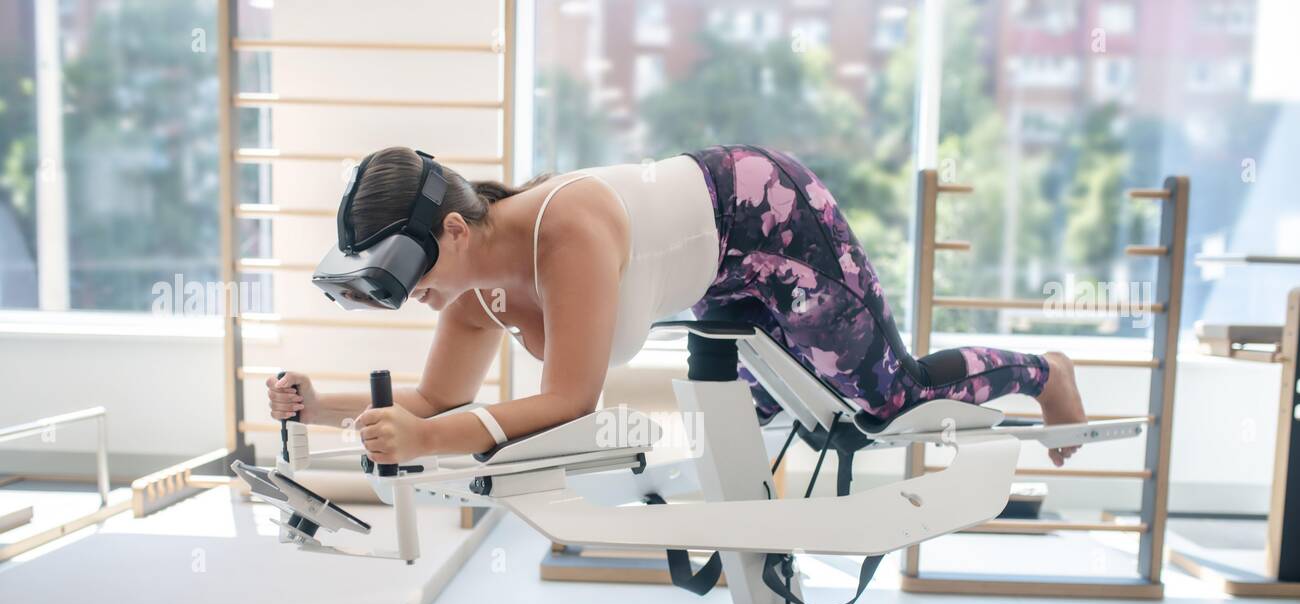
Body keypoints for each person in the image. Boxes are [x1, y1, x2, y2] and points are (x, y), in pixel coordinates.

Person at [269, 144, 1087, 467]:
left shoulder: (567, 233)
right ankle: (779, 589)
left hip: (772, 221)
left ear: (453, 231)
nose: (423, 304)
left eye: (418, 284)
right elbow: (436, 403)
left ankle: (1043, 371)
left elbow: (568, 402)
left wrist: (422, 442)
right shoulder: (472, 286)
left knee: (883, 399)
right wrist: (321, 406)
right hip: (713, 277)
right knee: (761, 420)